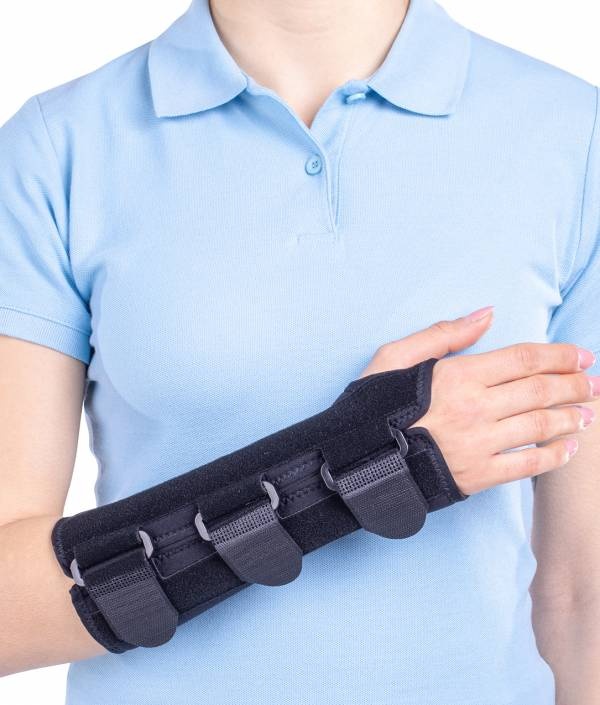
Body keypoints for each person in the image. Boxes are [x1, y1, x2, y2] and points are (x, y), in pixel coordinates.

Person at [1, 0, 599, 703]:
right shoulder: (58, 144)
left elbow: (580, 595)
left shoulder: (574, 133)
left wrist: (359, 462)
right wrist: (364, 464)